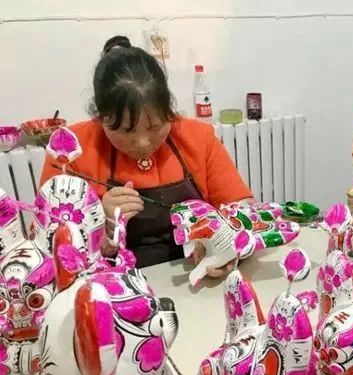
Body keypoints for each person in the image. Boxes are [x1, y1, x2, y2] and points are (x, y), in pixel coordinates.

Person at [40, 35, 253, 273]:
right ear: (101, 118)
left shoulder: (198, 138)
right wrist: (99, 222)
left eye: (155, 127)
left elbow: (244, 210)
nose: (143, 143)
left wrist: (223, 246)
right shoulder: (67, 151)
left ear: (169, 111)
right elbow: (50, 246)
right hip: (112, 284)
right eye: (126, 130)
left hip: (194, 275)